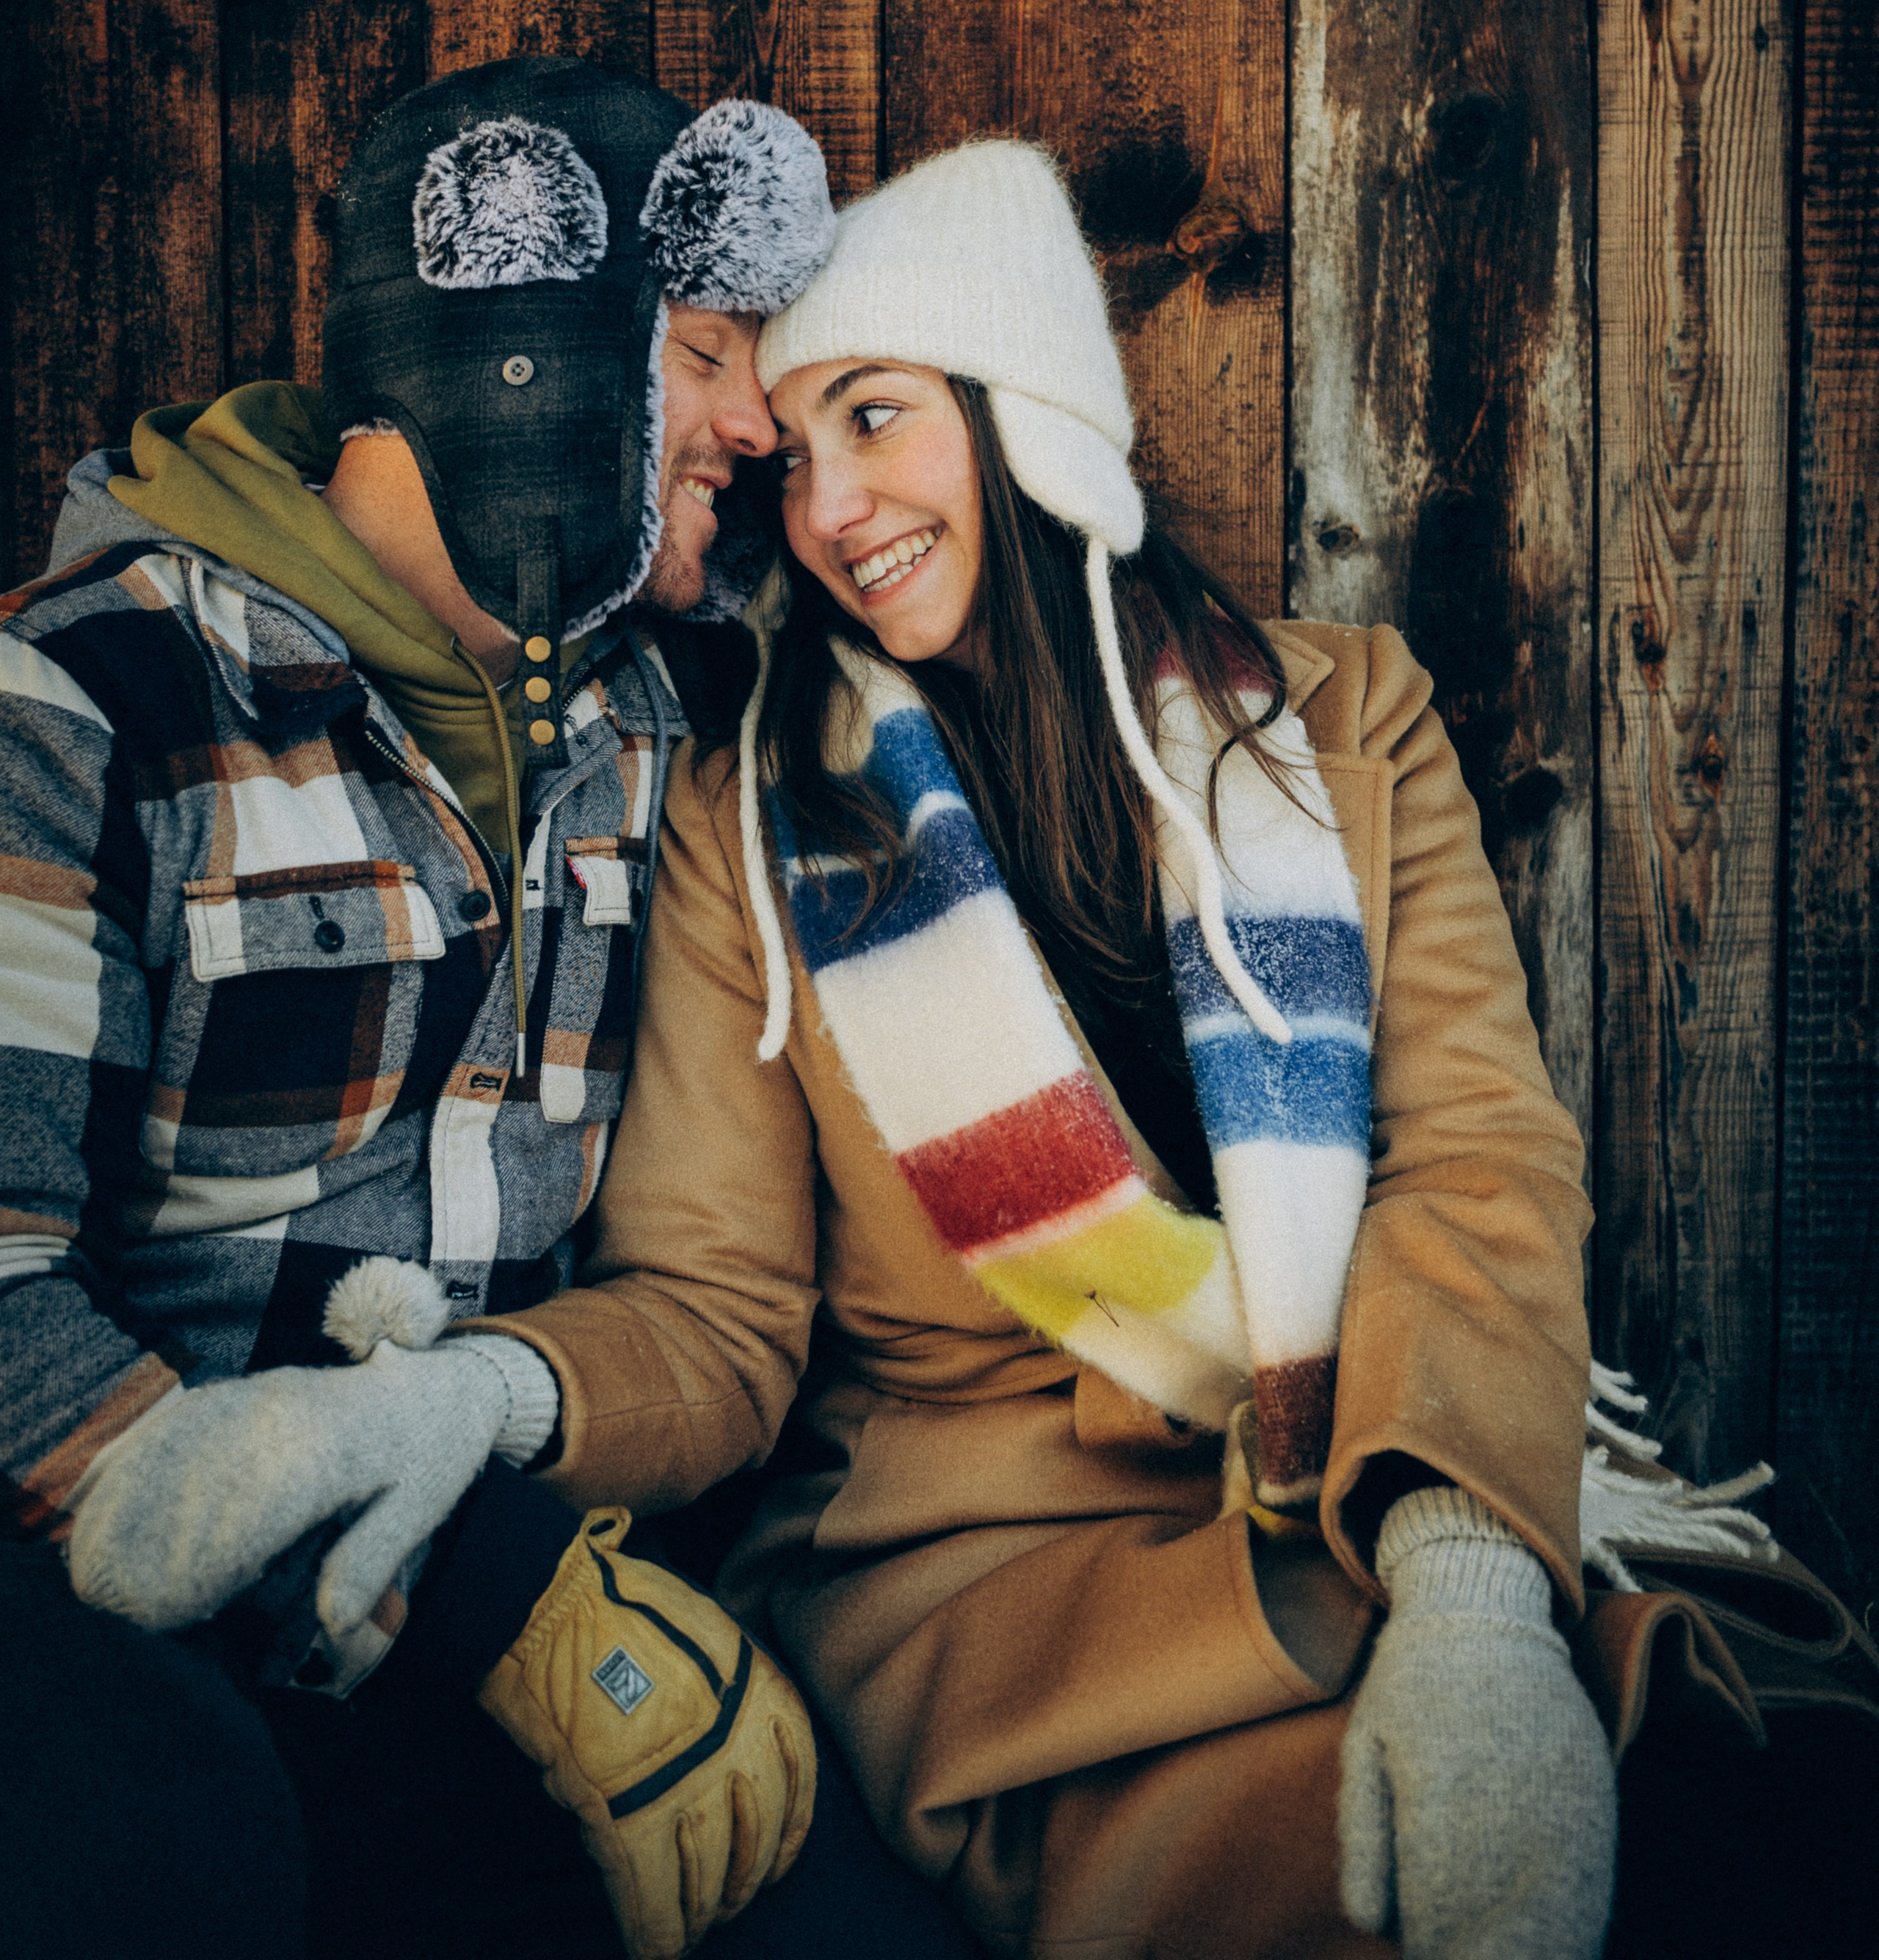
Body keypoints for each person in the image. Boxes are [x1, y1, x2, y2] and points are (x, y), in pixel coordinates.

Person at [481, 137, 1622, 1959]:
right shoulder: (747, 822)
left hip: (1368, 1486)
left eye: (876, 417)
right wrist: (463, 1403)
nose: (832, 510)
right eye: (794, 461)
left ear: (1023, 415)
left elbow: (1476, 1159)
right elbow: (710, 1299)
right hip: (992, 1586)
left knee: (1738, 1806)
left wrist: (1470, 1593)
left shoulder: (1341, 723)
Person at [0, 58, 976, 1960]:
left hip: (515, 1564)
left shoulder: (660, 720)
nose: (754, 421)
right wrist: (481, 1599)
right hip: (130, 1616)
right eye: (704, 354)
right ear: (524, 347)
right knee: (155, 1846)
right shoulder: (84, 702)